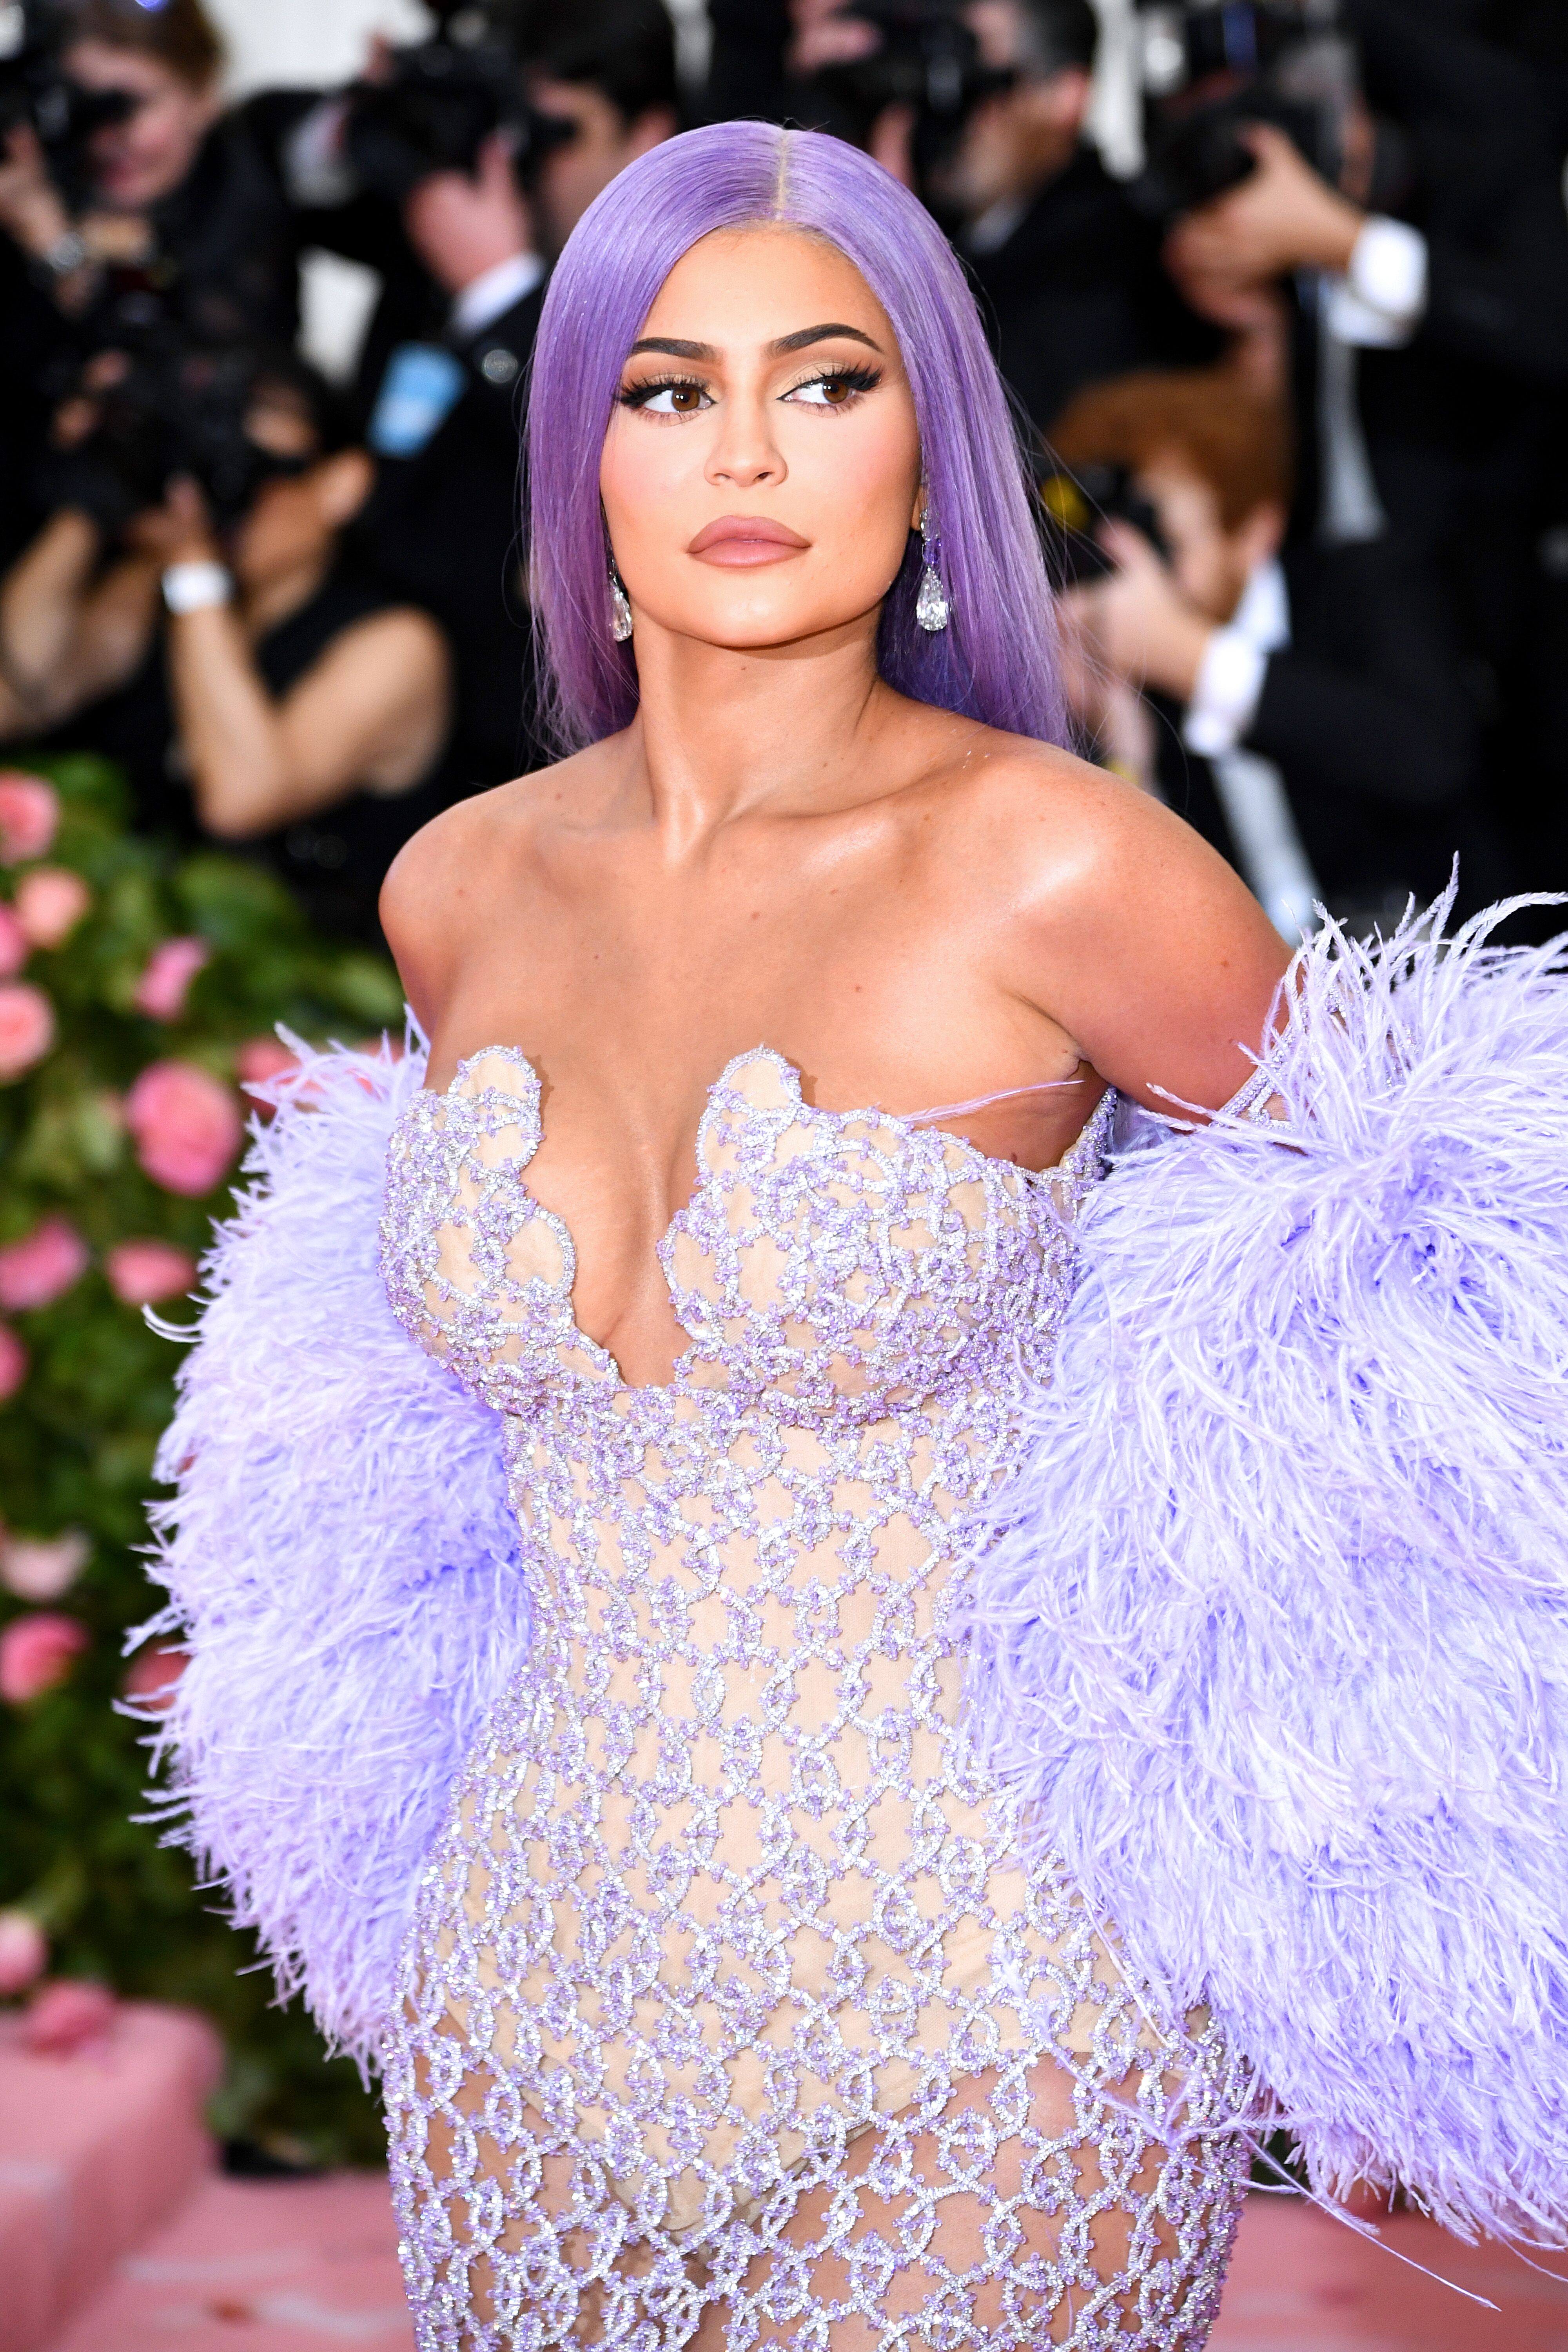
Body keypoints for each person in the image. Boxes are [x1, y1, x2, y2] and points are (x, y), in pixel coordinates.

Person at [146, 125, 1568, 2347]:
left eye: (826, 383)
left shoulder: (1063, 870)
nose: (747, 450)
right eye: (665, 387)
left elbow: (1440, 1331)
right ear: (580, 454)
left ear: (934, 453)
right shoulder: (459, 890)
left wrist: (1392, 1893)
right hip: (530, 1993)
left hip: (1005, 1995)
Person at [0, 355, 452, 942]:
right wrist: (93, 496)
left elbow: (240, 799)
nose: (230, 498)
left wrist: (194, 570)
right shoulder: (155, 589)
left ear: (340, 485)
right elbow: (17, 699)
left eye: (258, 473)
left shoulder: (399, 645)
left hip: (306, 1000)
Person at [1047, 364, 1506, 933]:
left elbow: (1431, 757)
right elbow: (1143, 923)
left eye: (1163, 538)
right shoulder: (1137, 680)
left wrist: (1191, 658)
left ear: (1256, 531)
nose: (1143, 580)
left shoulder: (1367, 583)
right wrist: (1119, 748)